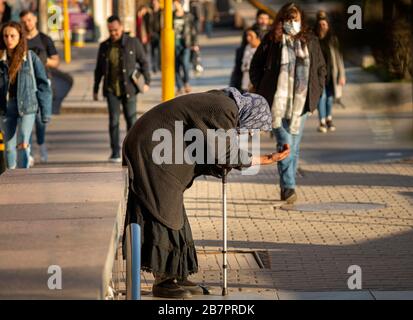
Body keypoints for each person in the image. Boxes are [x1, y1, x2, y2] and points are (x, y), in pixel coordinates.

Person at [122, 87, 290, 299]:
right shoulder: (225, 109)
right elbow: (224, 153)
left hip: (156, 146)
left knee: (172, 210)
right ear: (250, 115)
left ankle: (177, 274)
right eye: (251, 128)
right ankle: (164, 281)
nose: (248, 132)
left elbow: (207, 147)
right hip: (150, 149)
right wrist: (265, 159)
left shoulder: (224, 102)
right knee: (162, 209)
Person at [250, 2, 326, 204]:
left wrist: (315, 95)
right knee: (286, 143)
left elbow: (320, 69)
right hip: (276, 104)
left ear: (301, 20)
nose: (292, 23)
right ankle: (289, 187)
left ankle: (287, 186)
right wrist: (262, 90)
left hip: (300, 105)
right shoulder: (272, 39)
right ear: (281, 20)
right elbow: (255, 66)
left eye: (296, 19)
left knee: (295, 145)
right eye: (288, 19)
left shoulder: (310, 40)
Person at [94, 15, 150, 163]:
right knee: (114, 121)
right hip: (112, 89)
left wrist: (146, 81)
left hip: (129, 89)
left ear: (122, 28)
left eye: (116, 30)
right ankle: (115, 153)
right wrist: (95, 88)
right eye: (111, 31)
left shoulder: (133, 43)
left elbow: (144, 62)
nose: (114, 33)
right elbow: (98, 69)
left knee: (132, 120)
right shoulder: (104, 46)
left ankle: (132, 152)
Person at [0, 21, 52, 169]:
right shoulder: (0, 59)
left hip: (27, 105)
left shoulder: (29, 57)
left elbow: (43, 85)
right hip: (5, 107)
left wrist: (45, 113)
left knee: (23, 143)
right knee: (9, 147)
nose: (9, 39)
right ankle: (11, 177)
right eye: (6, 36)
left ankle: (23, 176)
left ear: (20, 37)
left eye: (12, 36)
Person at [20, 9, 60, 164]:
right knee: (27, 116)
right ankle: (27, 150)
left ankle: (41, 144)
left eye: (29, 20)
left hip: (43, 81)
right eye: (24, 21)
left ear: (35, 19)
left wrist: (42, 60)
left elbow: (56, 61)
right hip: (25, 83)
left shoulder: (45, 39)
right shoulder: (19, 39)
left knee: (41, 120)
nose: (27, 23)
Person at [314, 10, 346, 133]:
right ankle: (322, 121)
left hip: (332, 74)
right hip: (318, 75)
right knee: (322, 97)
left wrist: (342, 75)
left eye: (325, 25)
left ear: (328, 26)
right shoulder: (314, 39)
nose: (323, 27)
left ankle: (329, 119)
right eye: (321, 25)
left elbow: (339, 59)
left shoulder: (333, 40)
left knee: (330, 98)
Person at [230, 10, 271, 90]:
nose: (263, 21)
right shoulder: (250, 31)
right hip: (245, 79)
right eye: (261, 18)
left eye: (266, 19)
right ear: (256, 18)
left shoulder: (271, 33)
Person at [173, 0, 198, 95]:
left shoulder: (188, 16)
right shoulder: (171, 16)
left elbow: (193, 31)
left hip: (185, 44)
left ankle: (186, 82)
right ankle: (179, 87)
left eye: (176, 3)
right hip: (174, 45)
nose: (175, 5)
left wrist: (195, 44)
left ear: (180, 4)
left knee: (185, 63)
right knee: (176, 66)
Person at [241, 26, 261, 92]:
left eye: (251, 36)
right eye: (247, 36)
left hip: (255, 82)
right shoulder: (247, 47)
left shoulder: (261, 49)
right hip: (245, 80)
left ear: (257, 37)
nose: (248, 38)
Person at [150, 0, 162, 74]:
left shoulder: (162, 12)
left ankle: (159, 65)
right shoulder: (150, 12)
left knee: (160, 51)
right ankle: (154, 66)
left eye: (155, 2)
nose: (154, 4)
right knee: (153, 51)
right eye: (153, 3)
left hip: (160, 34)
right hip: (152, 34)